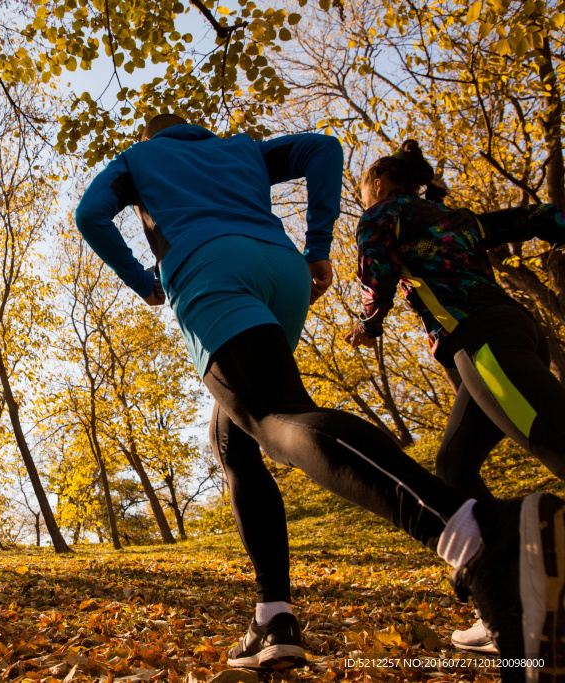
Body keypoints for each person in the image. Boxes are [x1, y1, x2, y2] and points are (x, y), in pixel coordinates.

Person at [74, 113, 565, 681]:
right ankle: (273, 616)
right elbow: (323, 151)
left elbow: (90, 214)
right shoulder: (241, 148)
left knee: (274, 414)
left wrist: (143, 281)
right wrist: (317, 245)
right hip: (281, 272)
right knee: (232, 438)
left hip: (209, 269)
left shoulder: (140, 159)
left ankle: (479, 539)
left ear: (148, 137)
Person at [347, 139, 565, 656]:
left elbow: (375, 276)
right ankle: (506, 599)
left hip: (482, 342)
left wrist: (368, 324)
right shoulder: (456, 217)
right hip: (507, 334)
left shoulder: (384, 216)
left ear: (378, 185)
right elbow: (541, 215)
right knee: (455, 466)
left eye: (363, 193)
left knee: (556, 441)